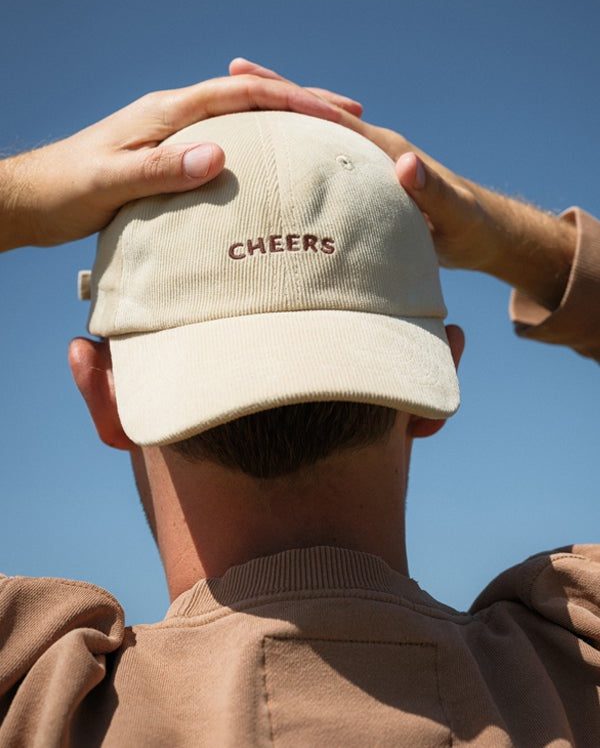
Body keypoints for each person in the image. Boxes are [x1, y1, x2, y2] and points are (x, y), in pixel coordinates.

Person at [0, 64, 598, 746]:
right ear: (438, 387)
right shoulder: (574, 667)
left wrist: (17, 195)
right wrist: (517, 243)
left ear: (100, 394)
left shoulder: (34, 698)